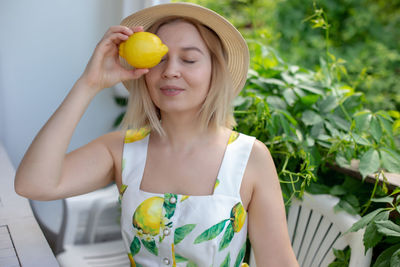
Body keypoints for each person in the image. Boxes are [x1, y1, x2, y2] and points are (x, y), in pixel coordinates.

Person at [15, 2, 298, 267]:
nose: (170, 71)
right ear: (144, 71)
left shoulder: (247, 157)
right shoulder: (121, 150)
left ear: (216, 70)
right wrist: (89, 84)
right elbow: (33, 184)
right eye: (159, 59)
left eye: (188, 59)